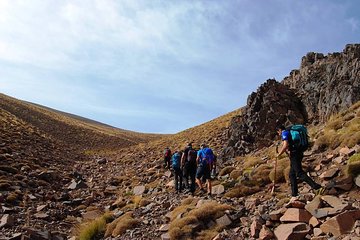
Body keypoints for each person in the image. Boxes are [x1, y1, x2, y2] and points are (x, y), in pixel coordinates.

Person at [276, 125, 323, 201]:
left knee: (299, 172)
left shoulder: (285, 133)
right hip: (298, 152)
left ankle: (317, 187)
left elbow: (285, 145)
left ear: (280, 130)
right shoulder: (289, 131)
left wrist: (279, 155)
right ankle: (294, 194)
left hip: (295, 154)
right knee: (292, 174)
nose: (279, 134)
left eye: (278, 132)